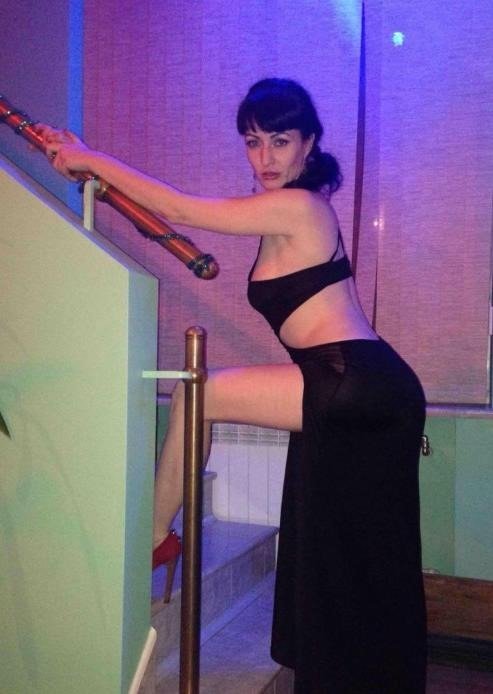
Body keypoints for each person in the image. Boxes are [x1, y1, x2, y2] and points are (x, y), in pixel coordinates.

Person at [37, 78, 427, 693]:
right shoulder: (282, 210)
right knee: (350, 549)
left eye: (280, 141)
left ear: (309, 144)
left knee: (198, 393)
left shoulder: (299, 206)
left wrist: (90, 157)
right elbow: (171, 214)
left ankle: (153, 538)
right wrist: (88, 169)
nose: (264, 157)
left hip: (353, 377)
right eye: (252, 141)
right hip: (358, 381)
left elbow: (181, 209)